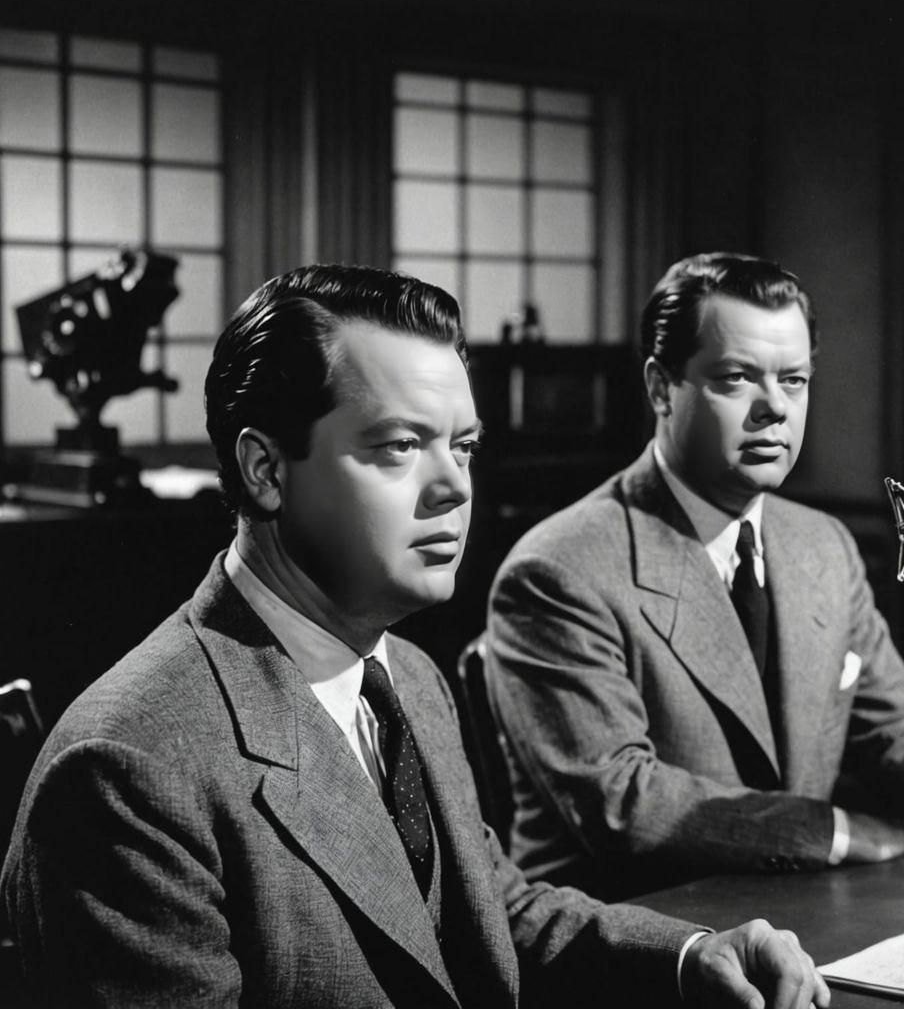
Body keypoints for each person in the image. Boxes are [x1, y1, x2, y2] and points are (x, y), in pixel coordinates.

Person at [1, 264, 830, 1009]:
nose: (453, 489)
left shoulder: (409, 676)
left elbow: (489, 911)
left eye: (461, 446)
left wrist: (689, 956)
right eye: (400, 446)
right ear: (266, 470)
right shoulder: (129, 770)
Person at [485, 252, 904, 901]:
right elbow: (622, 800)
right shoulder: (560, 570)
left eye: (793, 380)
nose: (774, 409)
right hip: (638, 930)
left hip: (796, 914)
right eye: (737, 378)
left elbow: (896, 722)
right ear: (661, 388)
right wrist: (833, 833)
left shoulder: (823, 546)